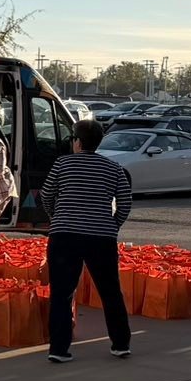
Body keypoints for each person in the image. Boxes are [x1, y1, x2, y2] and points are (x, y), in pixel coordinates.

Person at [40, 117, 134, 362]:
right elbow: (125, 201)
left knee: (62, 293)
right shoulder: (113, 168)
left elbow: (47, 194)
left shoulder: (62, 164)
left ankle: (59, 349)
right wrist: (112, 224)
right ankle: (120, 343)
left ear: (78, 142)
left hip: (64, 236)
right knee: (110, 291)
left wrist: (57, 217)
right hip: (101, 237)